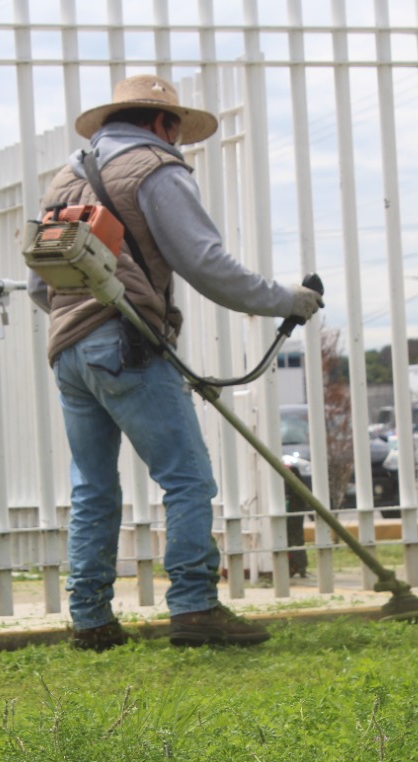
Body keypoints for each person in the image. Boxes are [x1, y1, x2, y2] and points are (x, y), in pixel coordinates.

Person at [28, 75, 323, 650]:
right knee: (187, 479)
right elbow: (206, 263)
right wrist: (286, 300)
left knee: (92, 486)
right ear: (161, 123)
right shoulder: (154, 169)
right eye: (178, 132)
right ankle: (193, 608)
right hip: (126, 344)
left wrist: (83, 318)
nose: (180, 144)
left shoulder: (64, 180)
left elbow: (38, 286)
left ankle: (90, 620)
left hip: (68, 354)